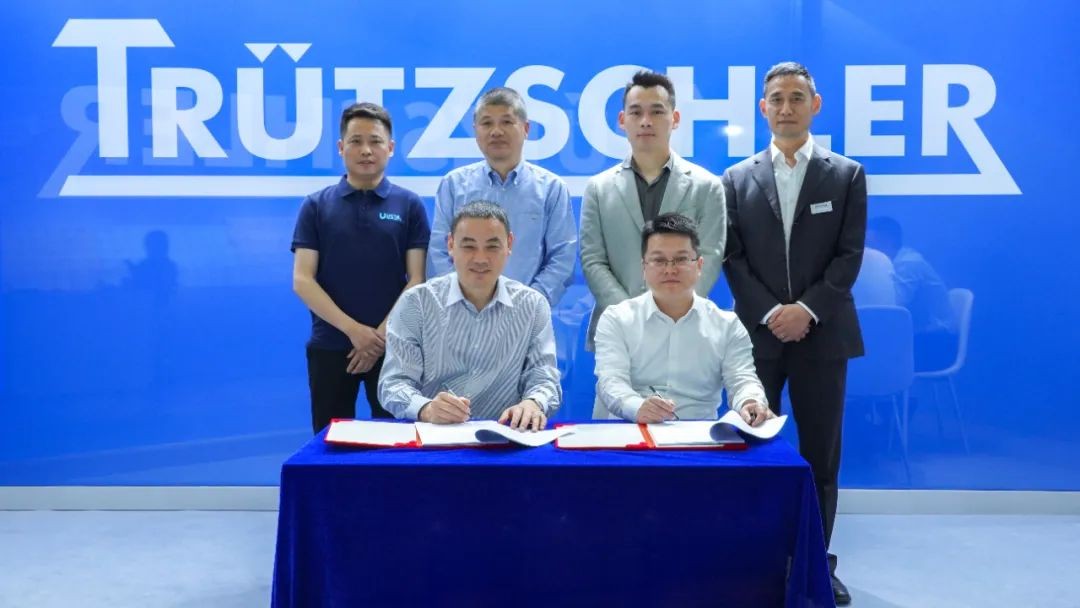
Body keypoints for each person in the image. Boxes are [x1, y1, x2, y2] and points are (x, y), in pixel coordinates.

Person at [722, 61, 866, 605]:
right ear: (763, 108)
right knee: (754, 450)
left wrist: (805, 310)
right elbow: (732, 258)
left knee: (820, 457)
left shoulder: (846, 174)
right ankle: (760, 558)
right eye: (777, 99)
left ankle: (815, 562)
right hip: (757, 338)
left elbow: (849, 257)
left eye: (797, 98)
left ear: (815, 105)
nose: (787, 108)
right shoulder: (736, 178)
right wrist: (771, 312)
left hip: (824, 337)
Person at [579, 69, 726, 418]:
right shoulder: (599, 188)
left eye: (657, 111)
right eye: (636, 112)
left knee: (684, 437)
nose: (646, 121)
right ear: (622, 120)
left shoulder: (707, 186)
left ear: (675, 118)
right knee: (612, 439)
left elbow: (710, 255)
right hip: (618, 334)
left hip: (684, 330)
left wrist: (671, 311)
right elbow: (592, 259)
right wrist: (632, 316)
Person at [292, 102, 430, 434]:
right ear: (341, 147)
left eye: (375, 141)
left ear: (390, 148)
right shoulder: (316, 205)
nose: (366, 150)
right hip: (330, 344)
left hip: (394, 348)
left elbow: (417, 278)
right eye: (356, 141)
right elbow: (302, 279)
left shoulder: (409, 205)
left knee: (398, 442)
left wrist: (379, 337)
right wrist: (355, 331)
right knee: (330, 442)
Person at [380, 202, 561, 431]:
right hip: (435, 437)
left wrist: (533, 403)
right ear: (450, 245)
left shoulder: (533, 305)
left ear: (509, 244)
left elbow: (544, 377)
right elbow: (394, 384)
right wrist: (426, 408)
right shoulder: (416, 303)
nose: (480, 259)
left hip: (505, 437)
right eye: (468, 246)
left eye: (492, 246)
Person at [594, 213, 771, 425]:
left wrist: (750, 401)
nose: (670, 269)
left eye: (681, 259)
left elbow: (742, 379)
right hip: (633, 429)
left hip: (700, 435)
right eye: (659, 260)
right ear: (644, 267)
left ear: (699, 265)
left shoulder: (727, 325)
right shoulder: (617, 319)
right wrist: (637, 407)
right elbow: (611, 380)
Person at [427, 87, 576, 307]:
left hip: (527, 314)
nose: (496, 131)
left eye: (506, 122)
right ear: (476, 130)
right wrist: (463, 302)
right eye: (487, 123)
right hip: (460, 313)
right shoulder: (454, 185)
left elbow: (562, 257)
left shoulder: (551, 188)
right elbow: (439, 252)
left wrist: (529, 305)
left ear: (526, 129)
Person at [867, 216, 957, 371]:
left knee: (869, 352)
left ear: (886, 241)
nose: (865, 250)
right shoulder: (894, 262)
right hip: (922, 337)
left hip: (938, 343)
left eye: (869, 244)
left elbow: (893, 306)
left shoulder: (909, 263)